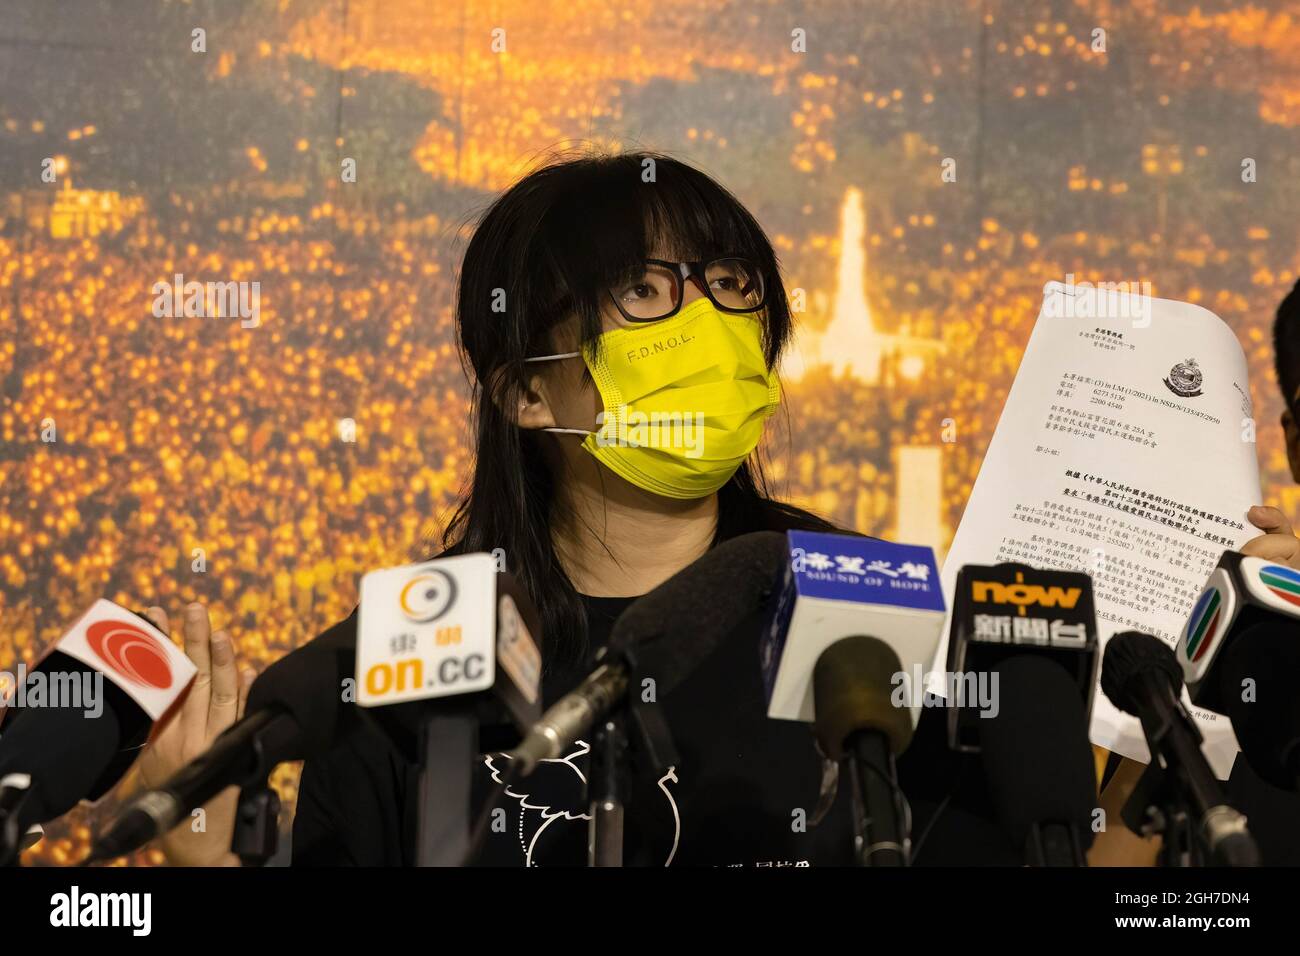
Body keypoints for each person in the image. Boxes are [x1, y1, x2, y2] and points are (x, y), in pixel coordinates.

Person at [136, 152, 1300, 866]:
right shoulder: (419, 651)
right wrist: (192, 856)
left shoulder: (875, 602)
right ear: (526, 390)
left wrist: (1206, 767)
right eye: (645, 291)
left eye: (731, 287)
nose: (707, 321)